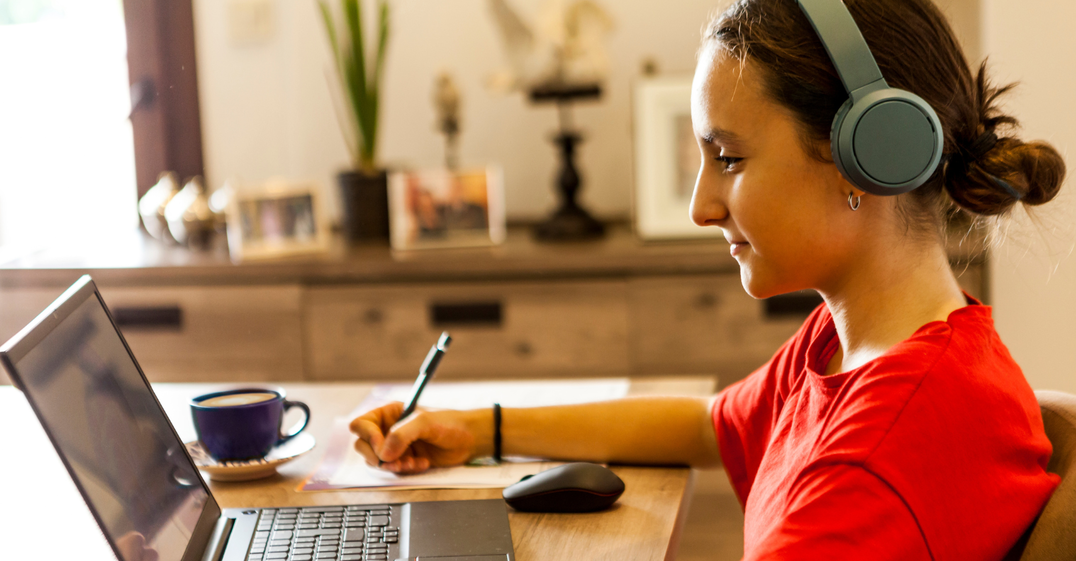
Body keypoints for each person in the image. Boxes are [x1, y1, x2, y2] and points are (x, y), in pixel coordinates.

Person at [350, 0, 1067, 558]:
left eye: (727, 157)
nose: (700, 206)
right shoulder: (861, 345)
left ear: (867, 155)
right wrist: (478, 427)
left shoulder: (871, 460)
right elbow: (707, 422)